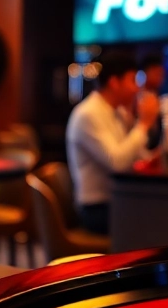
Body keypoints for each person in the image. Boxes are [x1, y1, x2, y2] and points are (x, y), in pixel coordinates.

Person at [66, 51, 160, 235]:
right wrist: (143, 124)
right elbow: (117, 163)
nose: (137, 89)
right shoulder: (89, 114)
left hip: (117, 200)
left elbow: (136, 157)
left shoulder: (116, 112)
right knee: (157, 219)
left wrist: (154, 155)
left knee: (161, 211)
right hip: (95, 209)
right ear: (114, 82)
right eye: (133, 81)